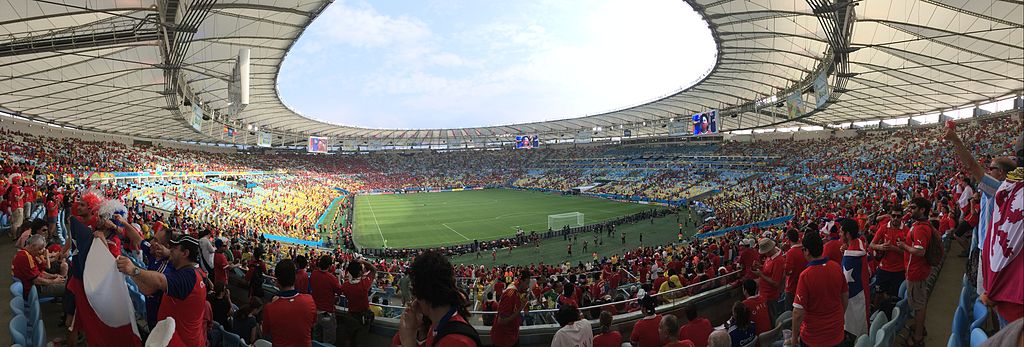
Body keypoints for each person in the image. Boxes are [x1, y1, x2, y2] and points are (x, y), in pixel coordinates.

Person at [117, 234, 208, 347]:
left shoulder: (188, 276)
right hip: (174, 336)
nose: (171, 250)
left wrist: (134, 270)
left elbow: (160, 281)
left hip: (179, 341)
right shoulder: (195, 271)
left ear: (185, 253)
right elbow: (148, 290)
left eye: (174, 249)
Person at [393, 250, 480, 347]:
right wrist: (416, 333)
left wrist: (408, 341)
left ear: (421, 296)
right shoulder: (437, 325)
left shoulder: (456, 341)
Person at [790, 232, 847, 347]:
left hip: (814, 338)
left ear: (807, 251)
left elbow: (797, 313)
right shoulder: (836, 266)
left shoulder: (805, 276)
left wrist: (794, 338)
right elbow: (845, 296)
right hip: (837, 332)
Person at [898, 197, 935, 346]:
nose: (910, 210)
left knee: (919, 305)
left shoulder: (921, 228)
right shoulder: (920, 224)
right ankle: (919, 327)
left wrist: (903, 246)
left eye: (913, 208)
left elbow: (920, 251)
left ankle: (918, 338)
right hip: (918, 270)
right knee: (920, 302)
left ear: (922, 210)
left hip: (916, 271)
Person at [262, 258, 317, 347]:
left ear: (277, 282)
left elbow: (265, 331)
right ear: (295, 278)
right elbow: (312, 324)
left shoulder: (270, 308)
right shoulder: (309, 301)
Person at [839, 218, 870, 337]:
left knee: (855, 331)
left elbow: (845, 286)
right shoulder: (859, 243)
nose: (840, 234)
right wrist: (846, 250)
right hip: (863, 292)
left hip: (854, 300)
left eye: (842, 232)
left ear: (847, 234)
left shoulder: (850, 258)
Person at [869, 206, 907, 301]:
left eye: (898, 216)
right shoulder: (883, 228)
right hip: (884, 269)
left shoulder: (906, 230)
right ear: (890, 216)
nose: (895, 218)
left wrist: (894, 249)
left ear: (902, 217)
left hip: (899, 270)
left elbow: (909, 253)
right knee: (878, 295)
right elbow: (872, 244)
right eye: (893, 215)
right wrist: (880, 247)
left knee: (895, 298)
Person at [340, 257, 378, 347]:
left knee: (348, 338)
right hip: (363, 316)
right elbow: (373, 269)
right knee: (360, 341)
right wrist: (363, 261)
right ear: (360, 272)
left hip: (350, 314)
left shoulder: (345, 286)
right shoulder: (364, 284)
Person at [310, 255, 344, 344]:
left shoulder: (314, 274)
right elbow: (340, 291)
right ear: (329, 266)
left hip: (315, 312)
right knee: (328, 342)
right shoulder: (331, 278)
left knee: (316, 339)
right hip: (327, 313)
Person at [492, 270, 530, 347]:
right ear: (521, 281)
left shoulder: (518, 290)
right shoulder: (509, 295)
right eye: (527, 283)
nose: (528, 286)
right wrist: (521, 307)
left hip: (512, 335)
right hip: (504, 340)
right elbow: (501, 321)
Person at [753, 237, 785, 321]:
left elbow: (776, 283)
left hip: (770, 296)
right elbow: (768, 270)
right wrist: (760, 266)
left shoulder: (778, 261)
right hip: (764, 293)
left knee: (772, 318)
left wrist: (760, 275)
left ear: (769, 250)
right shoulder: (770, 257)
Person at [783, 228, 807, 310]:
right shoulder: (804, 249)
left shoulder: (791, 252)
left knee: (790, 312)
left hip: (793, 286)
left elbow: (787, 272)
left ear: (788, 239)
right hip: (804, 283)